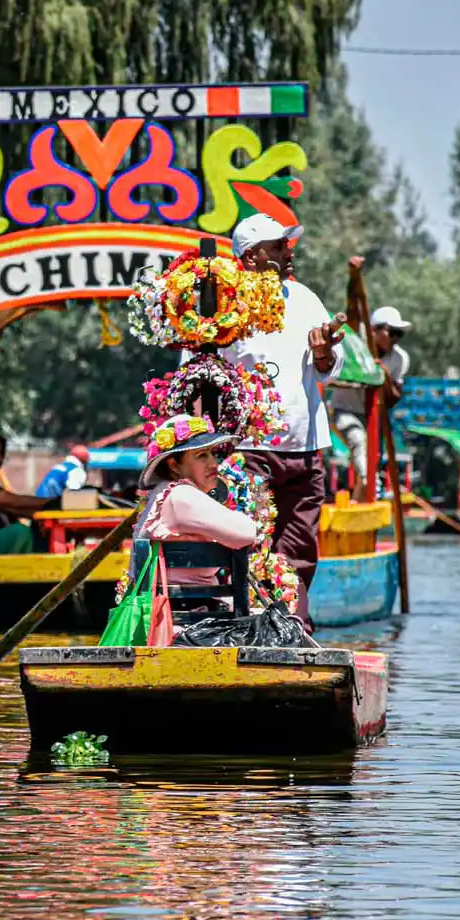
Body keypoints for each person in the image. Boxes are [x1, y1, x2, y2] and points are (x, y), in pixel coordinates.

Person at [215, 215, 346, 625]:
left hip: (304, 449)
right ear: (250, 256)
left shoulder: (305, 298)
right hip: (248, 450)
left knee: (300, 549)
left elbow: (330, 367)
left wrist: (324, 351)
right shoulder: (223, 304)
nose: (288, 254)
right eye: (277, 247)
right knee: (248, 543)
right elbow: (199, 369)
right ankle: (248, 628)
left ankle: (293, 629)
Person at [134, 415, 258, 647]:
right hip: (189, 626)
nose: (214, 463)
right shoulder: (181, 496)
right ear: (174, 465)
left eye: (213, 454)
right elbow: (247, 532)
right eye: (202, 456)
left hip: (188, 620)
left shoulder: (165, 495)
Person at [331, 303, 412, 490]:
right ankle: (372, 485)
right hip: (344, 410)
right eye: (392, 332)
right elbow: (351, 315)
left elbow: (393, 398)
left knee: (373, 456)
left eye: (400, 334)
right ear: (374, 330)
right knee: (358, 440)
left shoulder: (399, 359)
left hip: (373, 417)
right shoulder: (355, 347)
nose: (396, 339)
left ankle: (364, 498)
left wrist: (382, 376)